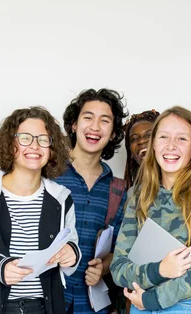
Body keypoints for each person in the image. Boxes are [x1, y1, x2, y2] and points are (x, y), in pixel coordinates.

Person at [0, 106, 81, 314]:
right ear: (10, 144)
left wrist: (72, 254)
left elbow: (71, 246)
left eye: (42, 139)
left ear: (52, 148)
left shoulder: (61, 197)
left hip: (44, 307)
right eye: (25, 138)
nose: (34, 146)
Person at [110, 106, 191, 313]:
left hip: (186, 306)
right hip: (140, 306)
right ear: (154, 144)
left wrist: (152, 299)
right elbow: (118, 269)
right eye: (164, 137)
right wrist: (160, 270)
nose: (171, 146)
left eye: (182, 139)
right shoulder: (137, 197)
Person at [54, 88, 129, 314]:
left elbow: (121, 248)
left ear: (114, 133)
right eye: (88, 117)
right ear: (74, 125)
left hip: (92, 305)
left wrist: (104, 267)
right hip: (47, 298)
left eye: (104, 120)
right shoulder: (48, 174)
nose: (95, 127)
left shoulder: (118, 190)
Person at [123, 109, 160, 190]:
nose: (141, 141)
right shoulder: (131, 195)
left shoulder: (190, 188)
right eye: (134, 139)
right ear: (131, 153)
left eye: (149, 135)